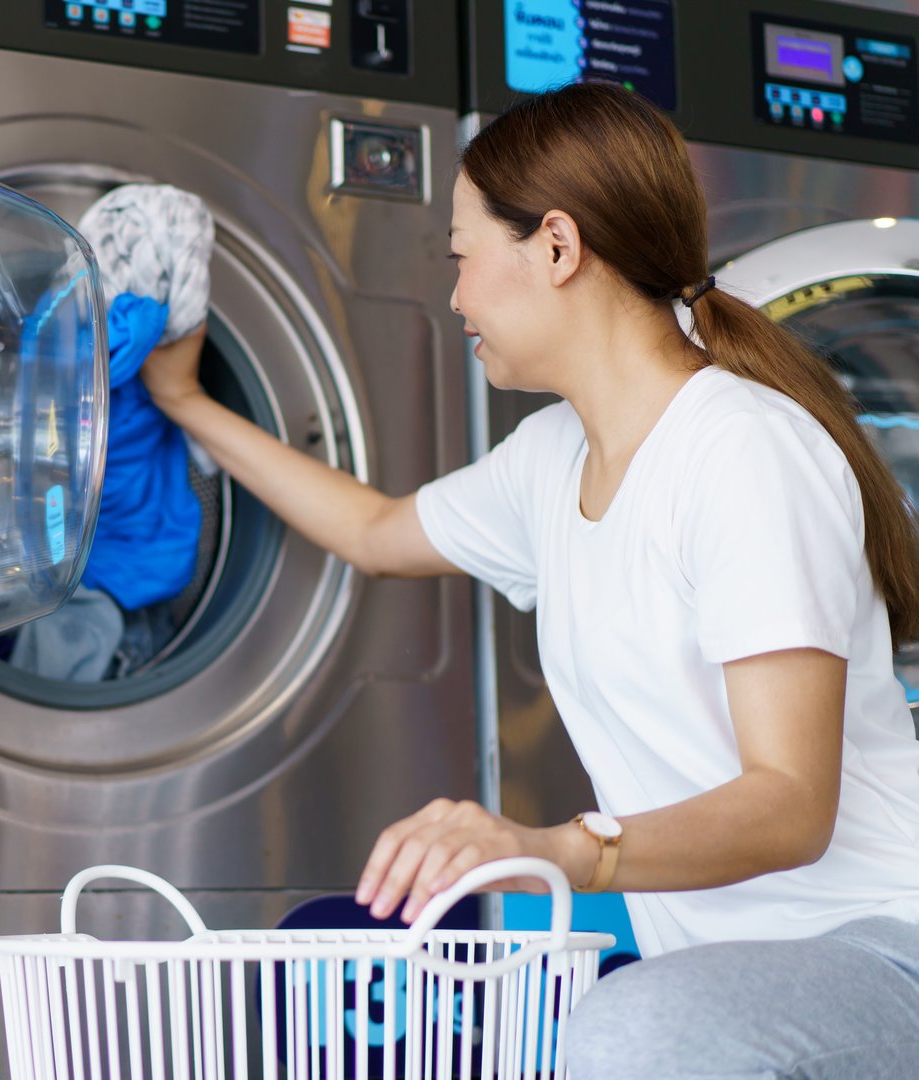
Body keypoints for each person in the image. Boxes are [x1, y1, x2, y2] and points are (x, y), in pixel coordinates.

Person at [138, 82, 919, 1078]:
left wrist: (558, 847)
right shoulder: (552, 458)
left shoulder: (743, 454)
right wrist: (186, 403)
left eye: (463, 259)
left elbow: (789, 804)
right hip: (736, 981)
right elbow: (378, 532)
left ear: (556, 247)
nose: (455, 297)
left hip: (885, 945)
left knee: (627, 1027)